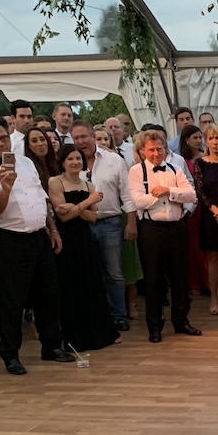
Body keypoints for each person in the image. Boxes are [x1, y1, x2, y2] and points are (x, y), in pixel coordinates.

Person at [0, 118, 73, 375]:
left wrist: (53, 229)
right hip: (10, 238)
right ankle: (10, 353)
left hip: (39, 234)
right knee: (12, 300)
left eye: (4, 137)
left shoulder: (25, 161)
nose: (2, 143)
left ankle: (51, 346)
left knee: (48, 294)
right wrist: (5, 187)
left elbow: (41, 197)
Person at [128, 129, 202, 343]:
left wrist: (168, 191)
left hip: (177, 227)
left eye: (159, 149)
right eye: (151, 150)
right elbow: (138, 201)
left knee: (180, 276)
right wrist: (161, 196)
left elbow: (191, 194)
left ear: (165, 148)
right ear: (143, 151)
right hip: (151, 228)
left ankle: (181, 320)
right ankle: (155, 326)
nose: (155, 154)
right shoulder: (136, 171)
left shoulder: (175, 168)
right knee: (154, 279)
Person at [48, 145, 120, 352]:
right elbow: (62, 216)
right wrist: (85, 203)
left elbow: (92, 217)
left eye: (78, 159)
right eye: (70, 159)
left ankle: (95, 334)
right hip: (65, 241)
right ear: (63, 161)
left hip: (85, 240)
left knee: (90, 285)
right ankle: (73, 337)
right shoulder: (55, 182)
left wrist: (73, 208)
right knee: (69, 287)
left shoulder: (88, 184)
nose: (75, 163)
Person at [71, 120, 136, 334]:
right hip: (81, 223)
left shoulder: (113, 160)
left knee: (114, 273)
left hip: (110, 222)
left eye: (84, 136)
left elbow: (126, 193)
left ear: (92, 136)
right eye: (76, 138)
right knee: (89, 273)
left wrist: (132, 222)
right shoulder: (71, 163)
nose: (80, 141)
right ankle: (97, 316)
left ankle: (118, 315)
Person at [194, 124, 218, 314]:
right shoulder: (200, 163)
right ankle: (214, 297)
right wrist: (216, 211)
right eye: (211, 138)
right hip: (210, 215)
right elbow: (200, 191)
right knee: (213, 257)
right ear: (206, 141)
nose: (215, 141)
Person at [178, 123, 210, 299]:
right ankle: (194, 283)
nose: (199, 141)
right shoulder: (181, 160)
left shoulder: (207, 156)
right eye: (195, 137)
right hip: (192, 207)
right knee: (192, 247)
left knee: (207, 247)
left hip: (206, 206)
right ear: (186, 140)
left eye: (200, 137)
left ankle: (209, 282)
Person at [23, 126, 55, 192]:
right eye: (34, 141)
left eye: (42, 139)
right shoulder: (27, 170)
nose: (40, 144)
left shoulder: (57, 164)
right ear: (28, 146)